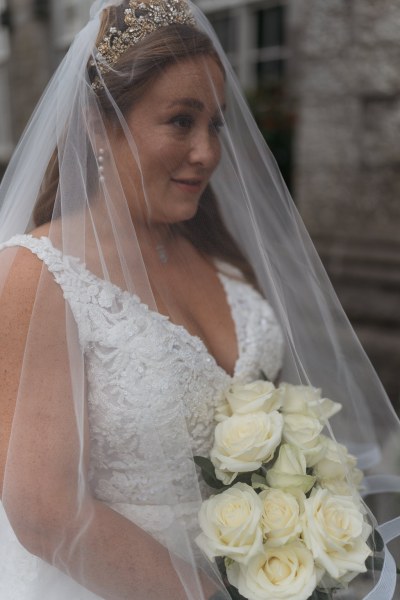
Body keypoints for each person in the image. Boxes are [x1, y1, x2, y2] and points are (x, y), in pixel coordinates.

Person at [0, 1, 399, 598]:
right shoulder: (38, 275)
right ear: (97, 123)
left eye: (215, 124)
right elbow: (45, 513)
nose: (208, 152)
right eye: (181, 121)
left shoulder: (218, 253)